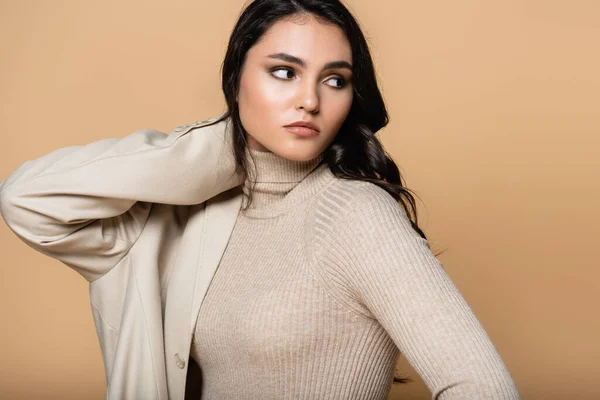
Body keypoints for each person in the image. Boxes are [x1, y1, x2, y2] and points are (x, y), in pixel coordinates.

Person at [0, 0, 522, 399]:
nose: (310, 100)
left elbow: (482, 386)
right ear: (235, 81)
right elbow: (28, 199)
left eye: (334, 80)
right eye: (283, 72)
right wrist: (219, 150)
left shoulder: (355, 214)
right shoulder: (184, 219)